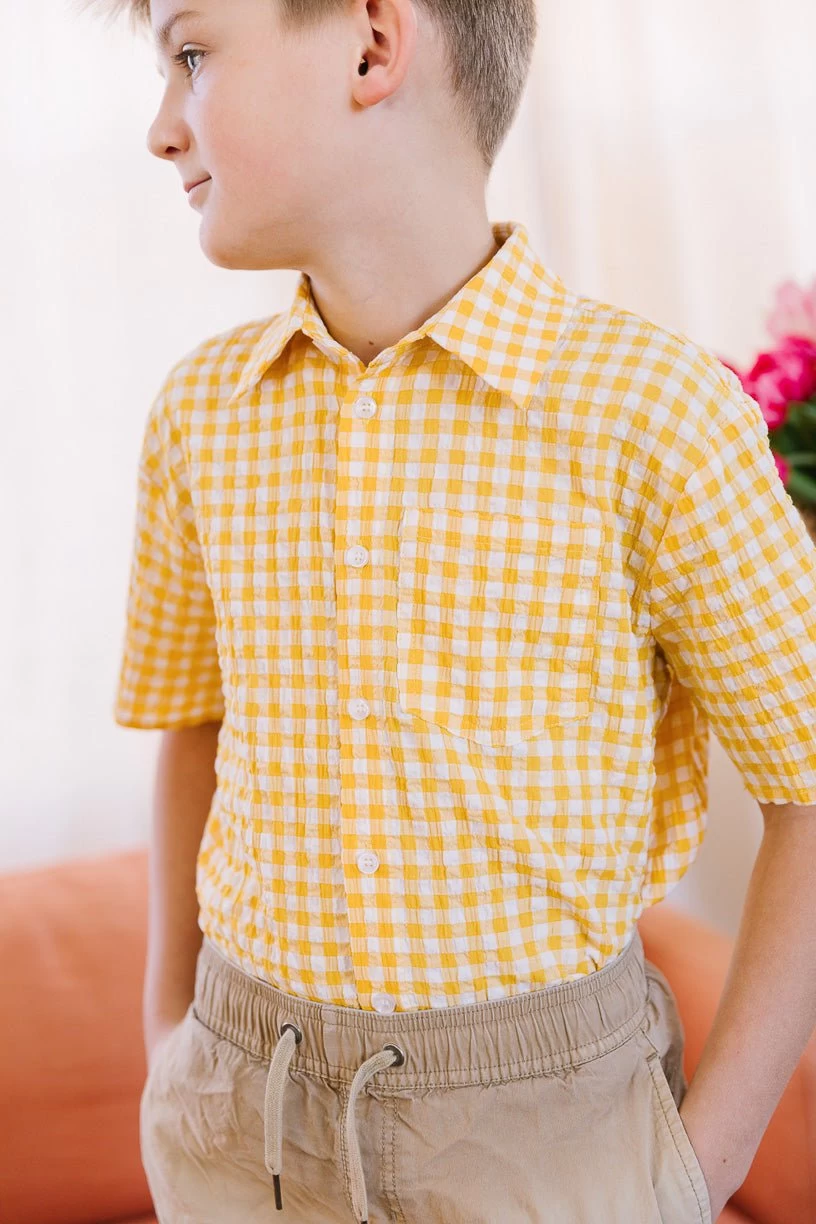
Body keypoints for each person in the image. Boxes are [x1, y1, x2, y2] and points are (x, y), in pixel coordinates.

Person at [92, 0, 816, 1219]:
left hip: (554, 1140)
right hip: (237, 1117)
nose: (163, 127)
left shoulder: (655, 415)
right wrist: (171, 1028)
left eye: (193, 53)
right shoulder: (200, 417)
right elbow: (194, 724)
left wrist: (702, 1166)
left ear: (373, 45)